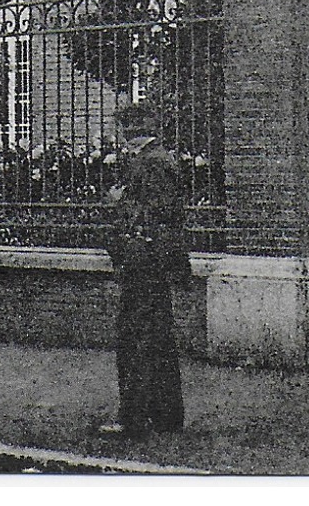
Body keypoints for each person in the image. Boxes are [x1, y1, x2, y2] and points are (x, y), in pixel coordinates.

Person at [102, 105, 191, 436]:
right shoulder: (158, 159)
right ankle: (165, 415)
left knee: (136, 339)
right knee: (157, 339)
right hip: (154, 261)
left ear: (130, 129)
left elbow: (154, 213)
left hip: (144, 262)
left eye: (123, 129)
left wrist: (119, 203)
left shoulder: (150, 163)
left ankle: (134, 418)